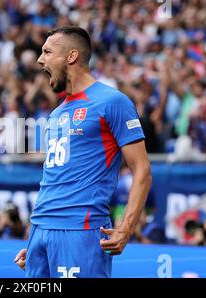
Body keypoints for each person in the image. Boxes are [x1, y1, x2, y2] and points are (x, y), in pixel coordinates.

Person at [14, 27, 152, 278]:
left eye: (47, 52)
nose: (39, 59)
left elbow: (142, 169)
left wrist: (126, 227)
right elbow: (57, 177)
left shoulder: (113, 102)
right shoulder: (56, 114)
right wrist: (38, 242)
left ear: (71, 56)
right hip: (41, 231)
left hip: (82, 229)